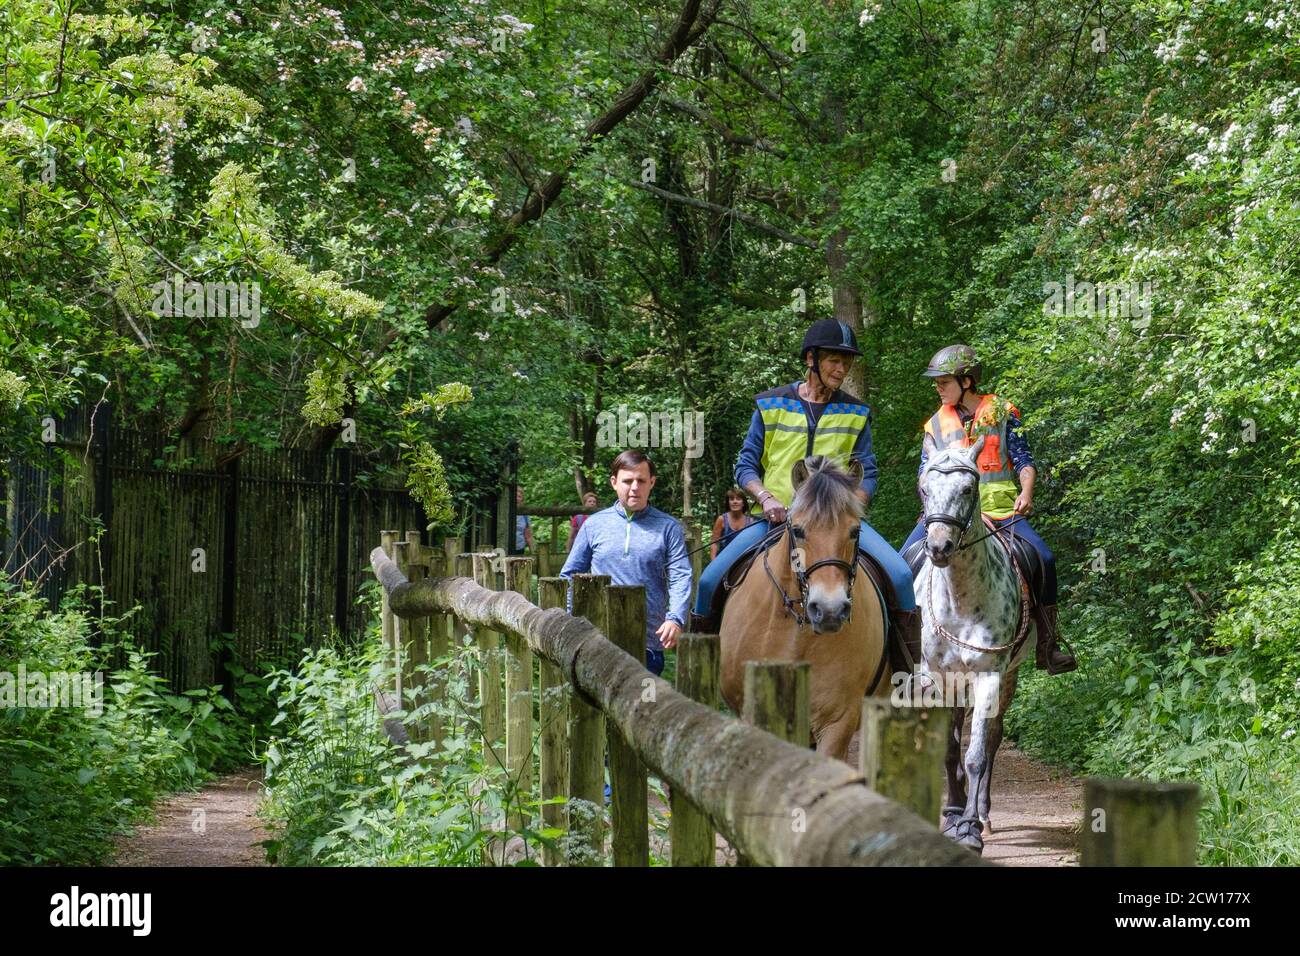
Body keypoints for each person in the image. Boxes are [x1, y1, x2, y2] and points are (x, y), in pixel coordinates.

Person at [690, 317, 921, 664]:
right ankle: (700, 675)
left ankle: (909, 677)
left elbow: (868, 471)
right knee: (709, 582)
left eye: (846, 361)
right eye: (834, 359)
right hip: (775, 520)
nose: (841, 368)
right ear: (811, 359)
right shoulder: (770, 405)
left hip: (835, 524)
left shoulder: (857, 413)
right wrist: (766, 498)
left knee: (901, 576)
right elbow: (746, 466)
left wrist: (850, 509)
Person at [901, 344, 1076, 674]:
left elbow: (1023, 459)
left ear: (967, 381)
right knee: (900, 565)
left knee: (1044, 557)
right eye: (937, 383)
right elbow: (923, 474)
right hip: (948, 517)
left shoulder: (1001, 411)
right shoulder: (935, 425)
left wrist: (1026, 492)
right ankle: (903, 649)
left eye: (943, 382)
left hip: (1000, 510)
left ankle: (1048, 644)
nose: (938, 388)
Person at [560, 449, 692, 676]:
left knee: (643, 706)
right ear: (614, 482)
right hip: (597, 639)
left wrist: (675, 618)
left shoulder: (669, 527)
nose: (634, 487)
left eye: (641, 480)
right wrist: (572, 621)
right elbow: (570, 575)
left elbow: (681, 575)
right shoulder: (594, 525)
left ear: (652, 482)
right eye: (627, 481)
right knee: (594, 709)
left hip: (648, 642)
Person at [710, 487, 754, 561]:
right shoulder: (722, 519)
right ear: (728, 503)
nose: (735, 501)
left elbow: (752, 544)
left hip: (743, 559)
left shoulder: (750, 522)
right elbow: (714, 543)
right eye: (732, 499)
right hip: (724, 559)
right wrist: (713, 561)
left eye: (738, 499)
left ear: (743, 503)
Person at [514, 486, 533, 553]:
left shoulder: (525, 515)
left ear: (522, 499)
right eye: (515, 496)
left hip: (519, 549)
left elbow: (528, 536)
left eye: (519, 496)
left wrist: (532, 553)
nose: (517, 498)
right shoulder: (503, 512)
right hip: (504, 549)